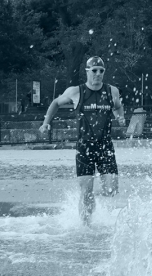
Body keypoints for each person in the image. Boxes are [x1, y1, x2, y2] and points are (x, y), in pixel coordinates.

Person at [39, 56, 125, 225]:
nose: (98, 74)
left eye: (101, 71)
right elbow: (56, 103)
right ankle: (85, 228)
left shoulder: (111, 91)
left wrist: (120, 116)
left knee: (112, 190)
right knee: (86, 192)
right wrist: (45, 123)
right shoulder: (75, 91)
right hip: (84, 147)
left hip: (105, 146)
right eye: (94, 71)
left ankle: (91, 195)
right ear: (87, 72)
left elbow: (118, 106)